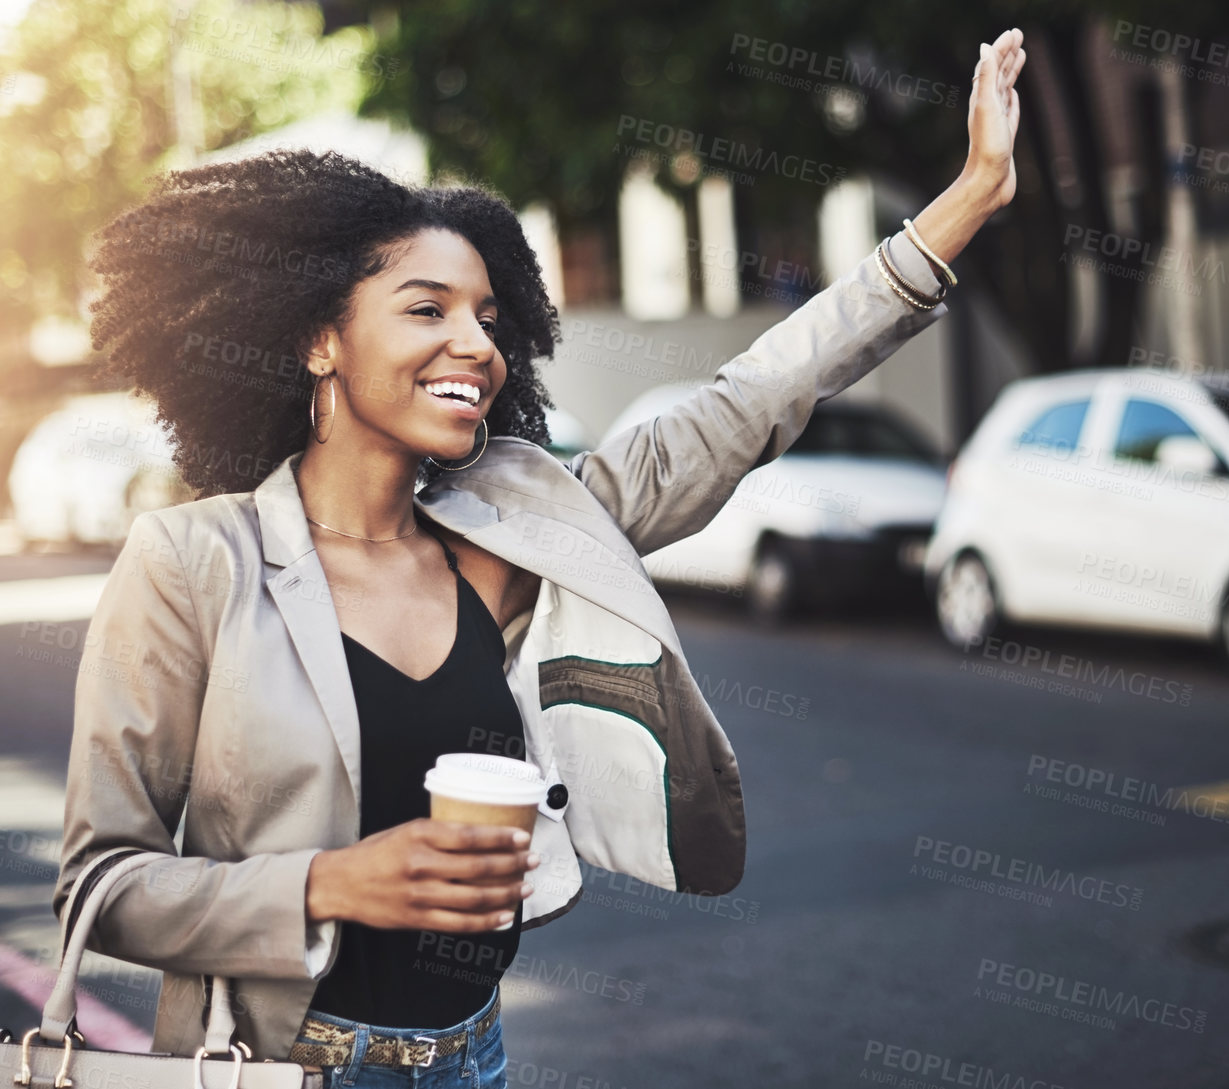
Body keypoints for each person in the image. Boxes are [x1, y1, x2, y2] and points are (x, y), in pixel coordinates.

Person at [53, 29, 1026, 1089]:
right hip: (286, 1065)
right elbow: (100, 883)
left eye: (486, 317)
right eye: (425, 310)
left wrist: (965, 200)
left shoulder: (516, 529)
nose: (476, 345)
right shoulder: (192, 563)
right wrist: (328, 884)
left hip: (476, 1058)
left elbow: (749, 401)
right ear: (316, 341)